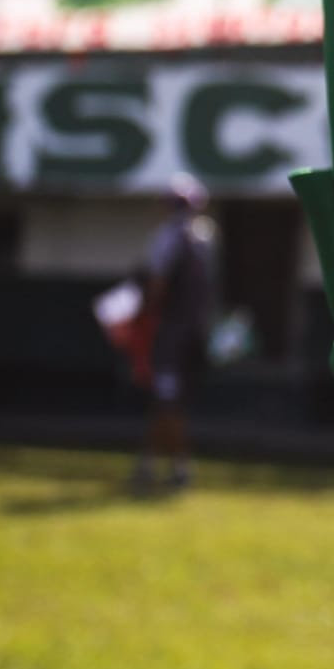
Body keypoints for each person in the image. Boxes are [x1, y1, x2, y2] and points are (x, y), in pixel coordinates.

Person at [133, 174, 219, 492]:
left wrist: (142, 317)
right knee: (166, 400)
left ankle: (180, 465)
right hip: (194, 332)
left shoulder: (168, 238)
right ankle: (149, 461)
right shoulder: (205, 238)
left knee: (168, 400)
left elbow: (157, 285)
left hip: (172, 334)